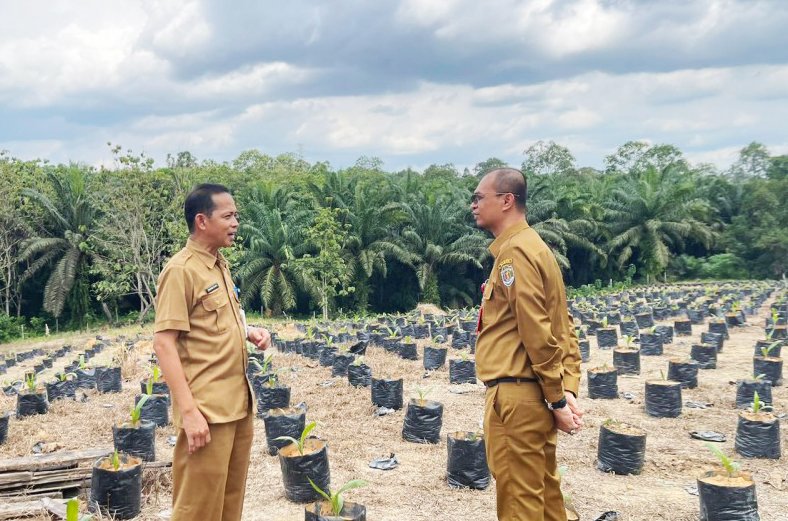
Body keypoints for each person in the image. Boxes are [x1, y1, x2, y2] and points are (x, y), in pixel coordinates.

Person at [153, 183, 271, 521]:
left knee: (228, 504)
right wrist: (189, 413)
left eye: (236, 215)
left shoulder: (219, 265)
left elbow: (212, 324)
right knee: (198, 509)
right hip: (207, 412)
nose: (236, 223)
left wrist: (248, 333)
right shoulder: (181, 271)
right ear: (202, 221)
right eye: (228, 216)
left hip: (237, 404)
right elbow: (164, 343)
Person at [472, 168, 584, 521]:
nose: (472, 205)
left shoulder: (515, 254)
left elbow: (537, 331)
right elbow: (562, 324)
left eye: (479, 198)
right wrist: (567, 388)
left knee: (521, 506)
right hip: (533, 396)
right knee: (547, 501)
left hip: (518, 397)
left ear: (507, 201)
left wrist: (559, 399)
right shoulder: (534, 247)